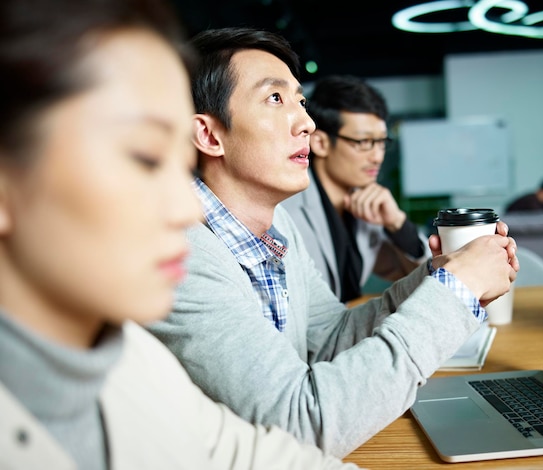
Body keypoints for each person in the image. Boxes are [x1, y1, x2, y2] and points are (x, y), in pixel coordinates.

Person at [0, 1, 361, 468]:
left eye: (178, 165)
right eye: (145, 158)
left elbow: (252, 454)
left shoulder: (132, 364)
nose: (188, 207)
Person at [148, 26, 518, 458]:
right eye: (275, 99)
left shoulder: (278, 226)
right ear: (209, 135)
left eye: (300, 102)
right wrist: (456, 294)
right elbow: (300, 425)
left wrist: (435, 278)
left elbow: (329, 336)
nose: (306, 123)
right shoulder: (179, 255)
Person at [281, 75, 430, 303]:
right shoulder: (284, 210)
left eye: (381, 142)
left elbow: (419, 276)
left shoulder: (364, 206)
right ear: (319, 143)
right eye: (363, 142)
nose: (377, 156)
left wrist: (397, 223)